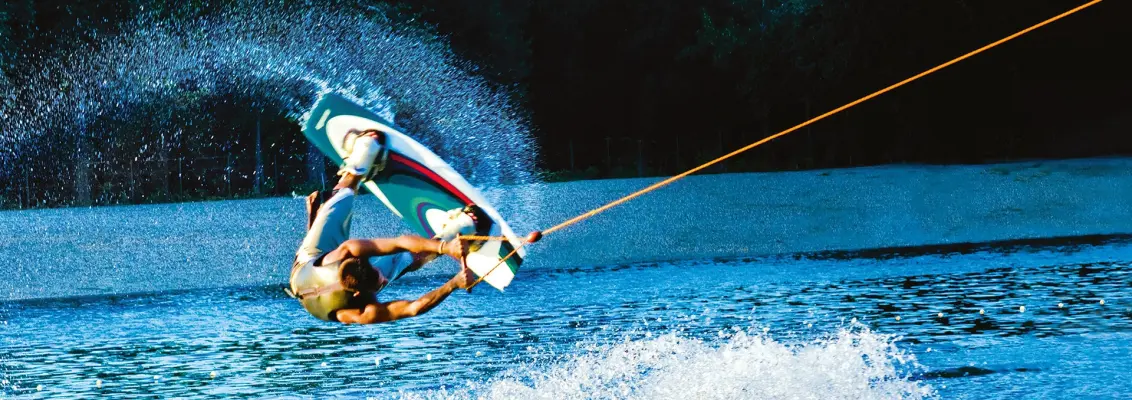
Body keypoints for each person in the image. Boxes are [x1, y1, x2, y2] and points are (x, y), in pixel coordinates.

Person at [288, 129, 485, 324]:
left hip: (308, 262)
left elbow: (400, 242)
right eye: (379, 283)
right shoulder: (358, 312)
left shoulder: (350, 249)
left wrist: (445, 250)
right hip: (318, 291)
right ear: (359, 294)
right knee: (406, 260)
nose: (384, 281)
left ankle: (360, 160)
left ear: (359, 258)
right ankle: (452, 232)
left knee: (340, 198)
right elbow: (413, 308)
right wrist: (454, 283)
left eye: (379, 278)